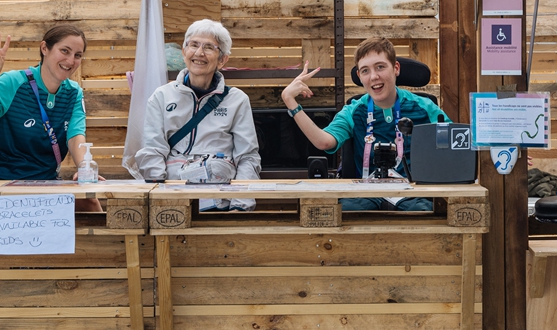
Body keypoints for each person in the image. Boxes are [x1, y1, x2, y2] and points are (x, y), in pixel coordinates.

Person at [281, 36, 449, 211]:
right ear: (359, 76)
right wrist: (290, 102)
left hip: (412, 194)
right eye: (365, 71)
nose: (374, 76)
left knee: (427, 213)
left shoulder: (424, 106)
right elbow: (324, 142)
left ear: (396, 68)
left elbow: (452, 145)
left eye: (380, 67)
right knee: (337, 213)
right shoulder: (354, 110)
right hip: (365, 194)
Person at [134, 19, 261, 211]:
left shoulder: (237, 100)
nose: (199, 53)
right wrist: (163, 201)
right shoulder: (161, 97)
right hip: (175, 200)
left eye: (209, 47)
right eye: (193, 45)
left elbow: (247, 157)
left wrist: (240, 206)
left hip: (221, 201)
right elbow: (153, 152)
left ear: (222, 59)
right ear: (184, 52)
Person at [0, 25, 93, 185]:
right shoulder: (12, 82)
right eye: (65, 51)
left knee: (91, 202)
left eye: (77, 55)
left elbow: (75, 136)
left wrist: (85, 167)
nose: (71, 61)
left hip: (47, 184)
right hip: (2, 183)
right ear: (44, 48)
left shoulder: (74, 92)